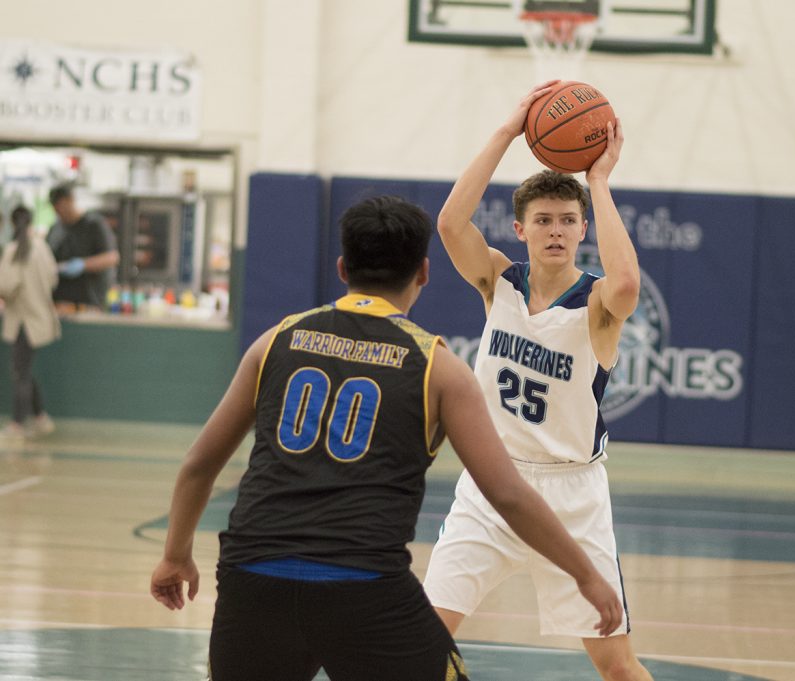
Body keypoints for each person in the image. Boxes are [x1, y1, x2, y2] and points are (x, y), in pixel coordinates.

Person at [149, 195, 622, 681]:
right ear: (423, 273)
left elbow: (198, 465)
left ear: (340, 267)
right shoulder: (437, 366)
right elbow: (506, 493)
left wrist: (175, 554)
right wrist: (585, 573)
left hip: (253, 574)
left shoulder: (274, 341)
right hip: (363, 583)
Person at [422, 81, 654, 681]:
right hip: (492, 486)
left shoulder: (597, 303)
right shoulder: (499, 282)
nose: (556, 230)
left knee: (618, 667)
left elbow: (628, 287)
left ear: (583, 230)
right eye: (543, 220)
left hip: (572, 498)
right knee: (416, 642)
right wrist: (508, 129)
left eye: (568, 221)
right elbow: (451, 224)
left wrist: (598, 181)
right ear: (520, 230)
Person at [0, 206, 60, 441]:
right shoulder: (42, 249)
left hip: (22, 321)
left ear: (13, 224)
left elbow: (5, 286)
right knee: (23, 369)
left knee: (20, 372)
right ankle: (40, 417)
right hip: (39, 319)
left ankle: (17, 424)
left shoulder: (13, 251)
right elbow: (53, 279)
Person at [46, 183, 119, 311]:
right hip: (59, 302)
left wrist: (82, 265)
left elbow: (112, 258)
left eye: (60, 205)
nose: (57, 210)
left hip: (88, 302)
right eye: (54, 207)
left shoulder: (94, 224)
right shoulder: (55, 229)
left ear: (70, 200)